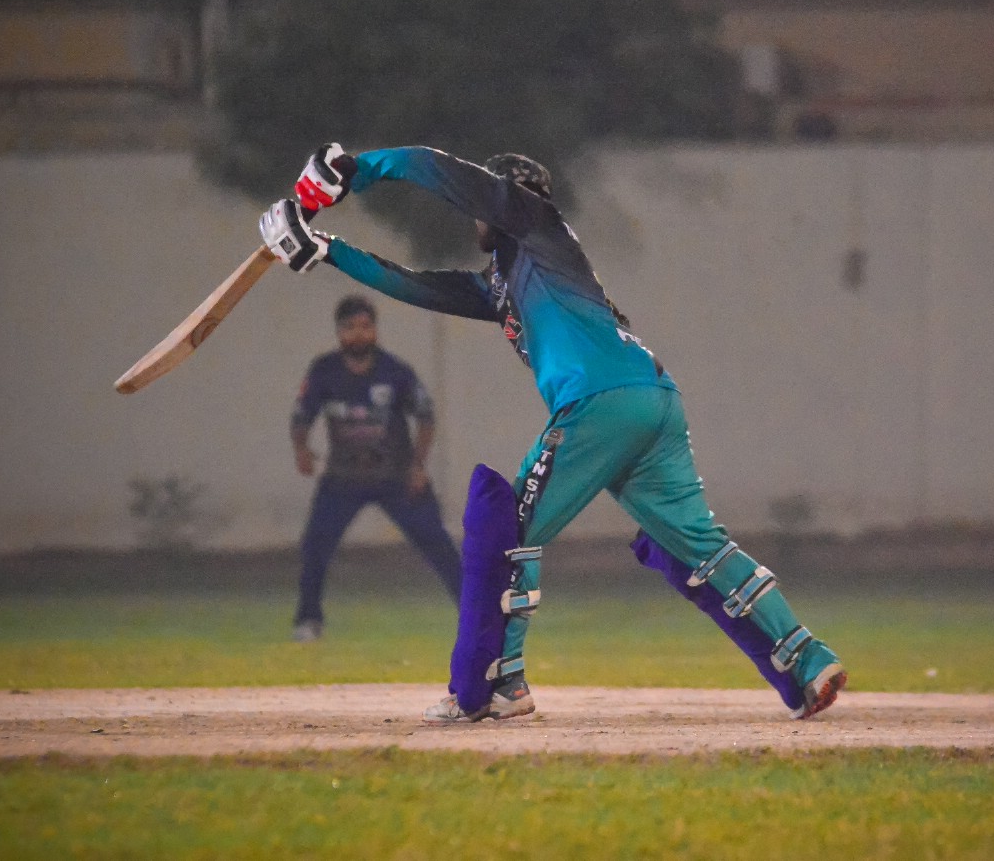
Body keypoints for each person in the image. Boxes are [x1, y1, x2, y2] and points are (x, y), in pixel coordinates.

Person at [257, 143, 846, 721]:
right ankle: (809, 658)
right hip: (655, 401)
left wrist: (358, 169)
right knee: (702, 546)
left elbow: (440, 171)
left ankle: (505, 683)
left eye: (490, 200)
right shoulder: (506, 281)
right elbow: (413, 284)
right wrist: (324, 249)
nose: (480, 216)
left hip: (598, 403)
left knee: (510, 533)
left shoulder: (534, 221)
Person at [287, 292, 461, 642]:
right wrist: (302, 449)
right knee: (315, 546)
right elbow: (301, 415)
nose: (359, 334)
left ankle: (476, 615)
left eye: (366, 326)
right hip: (343, 477)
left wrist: (418, 466)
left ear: (375, 330)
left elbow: (425, 417)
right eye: (350, 327)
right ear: (339, 332)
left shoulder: (394, 371)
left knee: (438, 544)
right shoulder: (325, 371)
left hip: (396, 476)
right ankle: (308, 621)